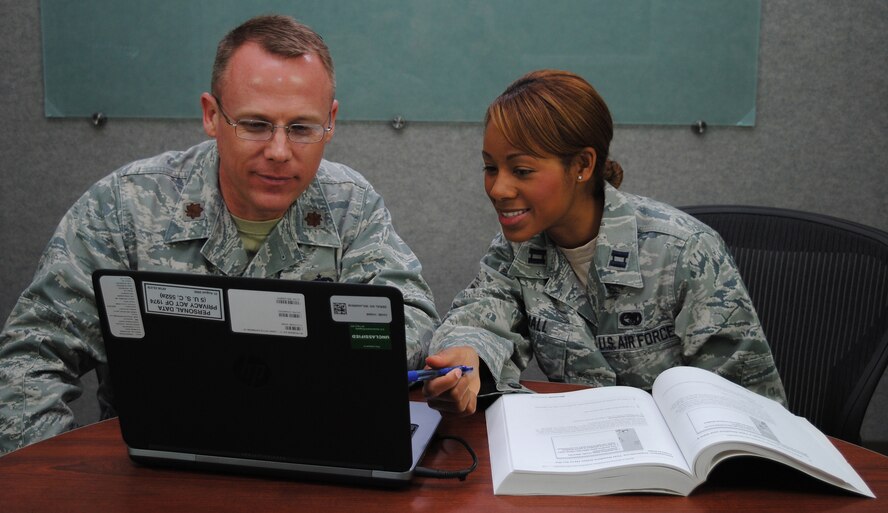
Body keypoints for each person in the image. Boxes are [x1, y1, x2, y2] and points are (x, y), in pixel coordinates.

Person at [0, 14, 439, 454]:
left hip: (311, 453)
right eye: (255, 125)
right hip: (156, 463)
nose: (280, 152)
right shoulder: (124, 207)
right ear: (212, 116)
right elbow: (30, 356)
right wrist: (55, 478)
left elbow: (412, 318)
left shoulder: (351, 207)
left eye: (302, 128)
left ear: (331, 121)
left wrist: (341, 354)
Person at [422, 69, 787, 416]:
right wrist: (464, 354)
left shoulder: (683, 251)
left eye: (521, 171)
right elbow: (478, 319)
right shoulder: (516, 251)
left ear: (582, 165)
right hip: (582, 456)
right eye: (490, 168)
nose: (498, 189)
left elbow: (750, 403)